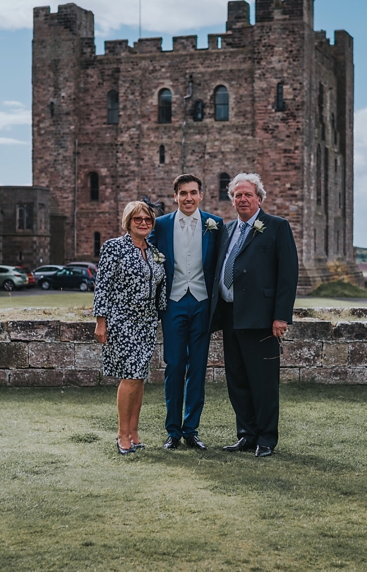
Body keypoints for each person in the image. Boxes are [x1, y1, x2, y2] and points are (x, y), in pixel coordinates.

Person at [209, 171, 299, 458]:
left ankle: (266, 439)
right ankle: (246, 435)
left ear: (259, 198)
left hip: (261, 319)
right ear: (232, 200)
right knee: (237, 380)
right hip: (231, 316)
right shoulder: (225, 231)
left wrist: (281, 316)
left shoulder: (276, 227)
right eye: (238, 195)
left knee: (263, 383)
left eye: (248, 194)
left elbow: (288, 275)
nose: (243, 199)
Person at [150, 174, 225, 450]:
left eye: (193, 192)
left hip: (203, 303)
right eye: (183, 193)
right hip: (173, 303)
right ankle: (173, 430)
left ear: (201, 195)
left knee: (198, 367)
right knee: (174, 366)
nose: (189, 198)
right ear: (175, 196)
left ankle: (191, 429)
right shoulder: (161, 225)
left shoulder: (215, 224)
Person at [93, 200, 167, 455]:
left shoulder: (154, 250)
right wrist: (100, 322)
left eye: (148, 219)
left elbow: (160, 287)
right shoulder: (114, 247)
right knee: (131, 375)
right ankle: (122, 434)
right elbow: (102, 285)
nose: (144, 223)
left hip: (147, 321)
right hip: (121, 319)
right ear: (128, 222)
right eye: (138, 219)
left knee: (139, 377)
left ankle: (135, 433)